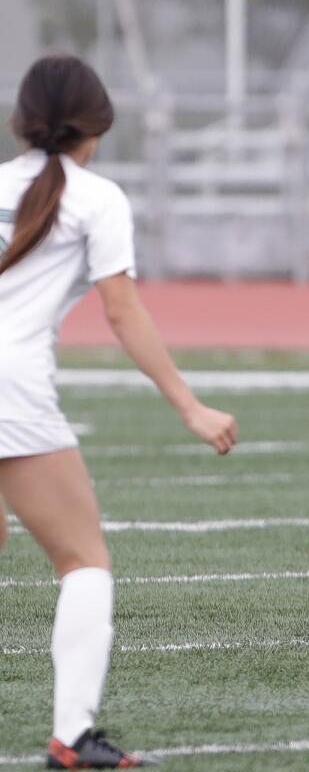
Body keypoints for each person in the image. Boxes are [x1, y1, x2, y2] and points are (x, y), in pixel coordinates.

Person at [0, 55, 238, 769]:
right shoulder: (96, 197)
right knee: (84, 562)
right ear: (96, 125)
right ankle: (72, 739)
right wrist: (190, 406)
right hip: (11, 386)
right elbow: (123, 314)